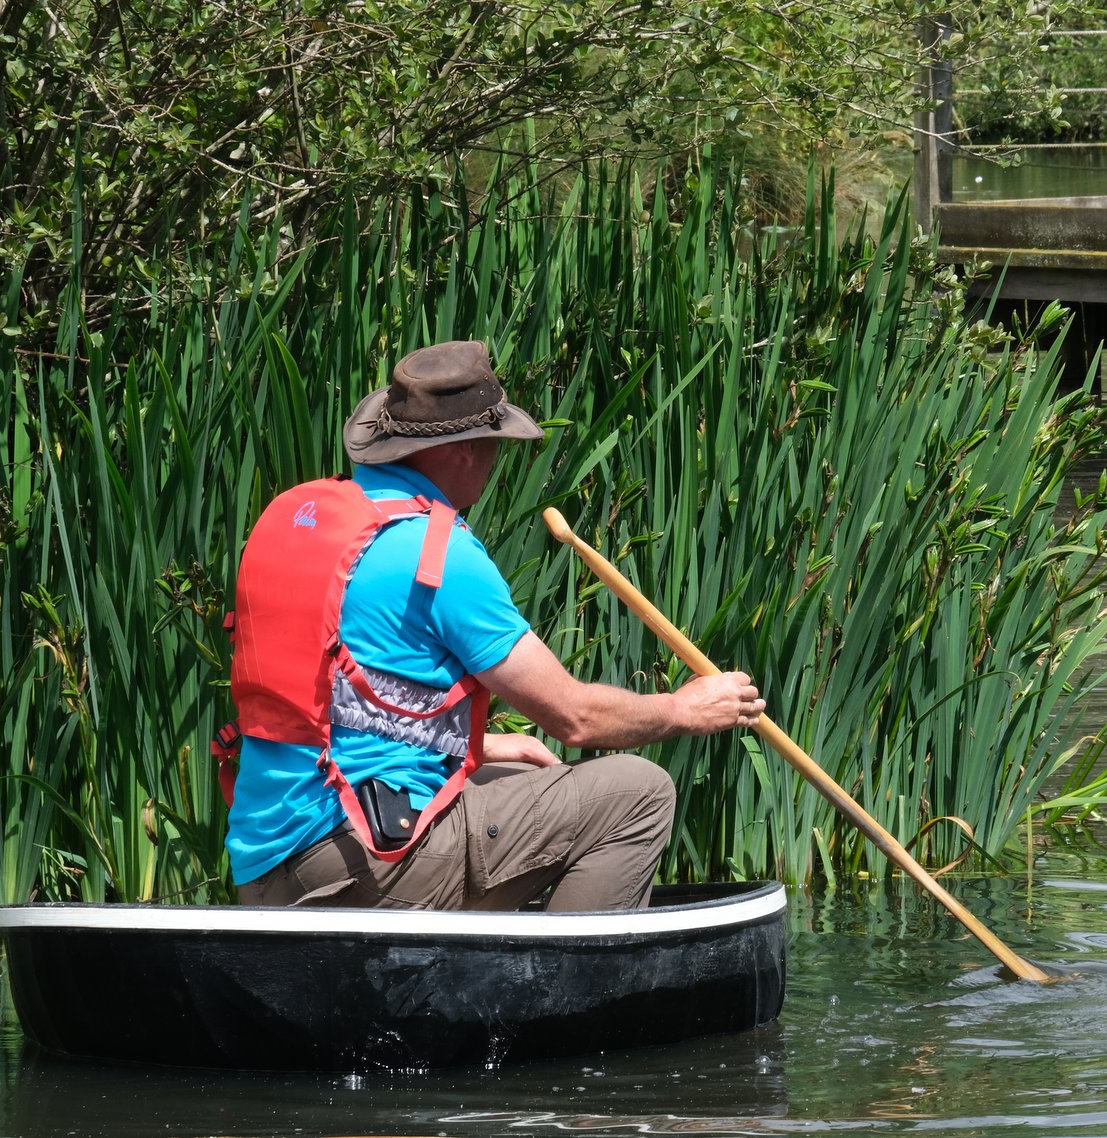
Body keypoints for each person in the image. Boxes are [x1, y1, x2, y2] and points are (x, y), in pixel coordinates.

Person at [225, 340, 765, 911]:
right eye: (491, 445)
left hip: (265, 865)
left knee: (509, 773)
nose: (493, 459)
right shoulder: (438, 555)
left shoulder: (310, 523)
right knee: (640, 793)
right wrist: (686, 708)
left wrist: (479, 745)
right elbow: (573, 717)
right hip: (360, 865)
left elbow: (333, 707)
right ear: (463, 451)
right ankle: (560, 988)